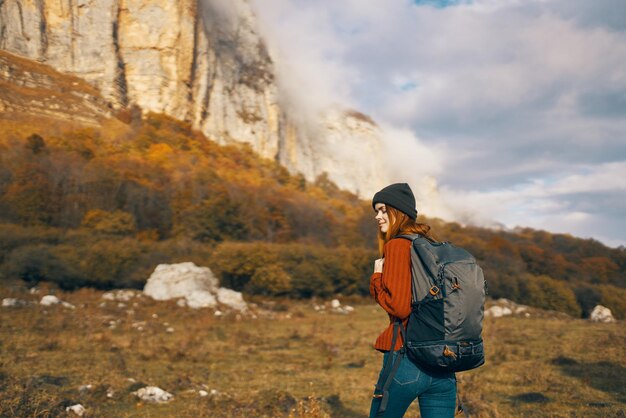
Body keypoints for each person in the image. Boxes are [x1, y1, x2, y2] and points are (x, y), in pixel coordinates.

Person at [369, 183, 457, 418]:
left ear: (398, 211)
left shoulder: (398, 245)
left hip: (406, 358)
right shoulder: (431, 246)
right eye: (376, 211)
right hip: (443, 362)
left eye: (382, 210)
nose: (378, 217)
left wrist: (377, 278)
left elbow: (399, 307)